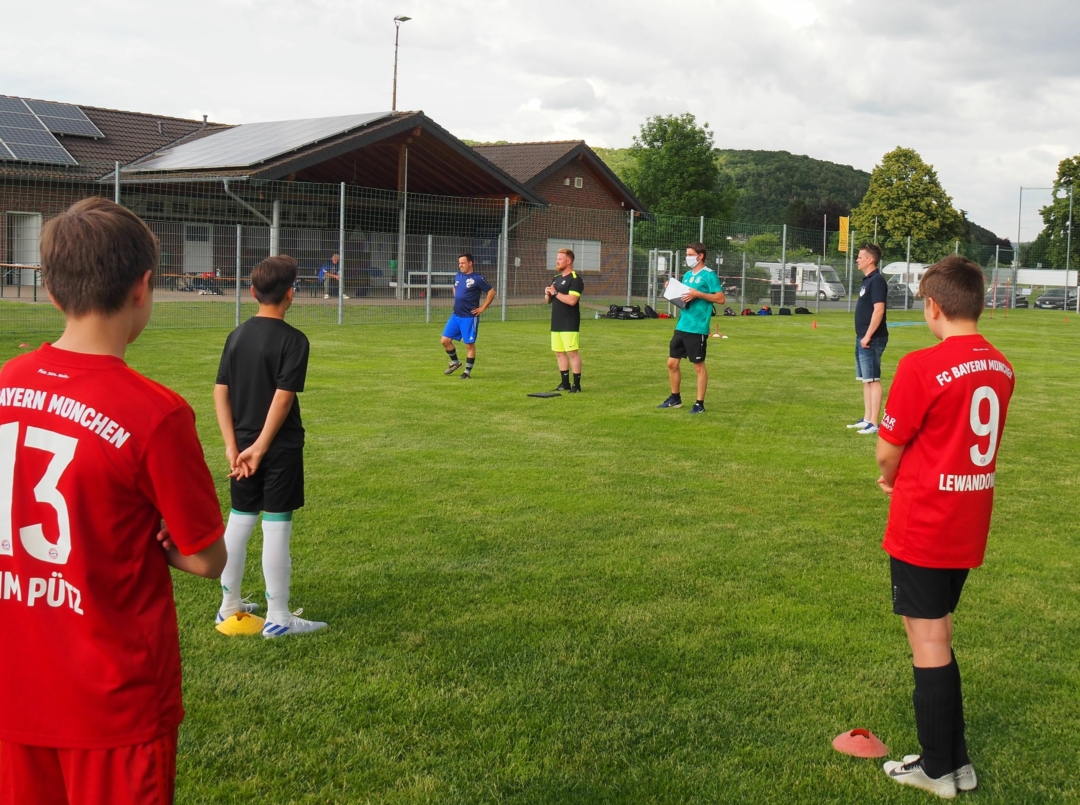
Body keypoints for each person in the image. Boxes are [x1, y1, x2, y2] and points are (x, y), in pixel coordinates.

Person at [0, 197, 227, 804]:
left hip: (14, 687)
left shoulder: (4, 384)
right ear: (144, 287)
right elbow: (208, 558)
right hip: (113, 702)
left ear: (51, 291)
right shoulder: (155, 412)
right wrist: (169, 546)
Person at [875, 256, 1014, 798]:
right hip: (968, 518)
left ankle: (937, 768)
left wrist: (889, 478)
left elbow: (889, 449)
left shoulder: (920, 365)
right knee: (941, 632)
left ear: (932, 306)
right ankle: (955, 762)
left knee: (927, 639)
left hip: (924, 519)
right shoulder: (1001, 366)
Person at [214, 254, 327, 638]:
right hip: (275, 449)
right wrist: (261, 448)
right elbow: (283, 398)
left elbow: (220, 392)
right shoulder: (294, 340)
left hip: (242, 447)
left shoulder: (236, 335)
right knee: (277, 525)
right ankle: (279, 616)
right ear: (291, 294)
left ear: (252, 292)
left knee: (240, 520)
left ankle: (228, 606)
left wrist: (234, 447)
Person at [657, 242, 726, 414]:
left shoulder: (709, 275)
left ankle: (699, 404)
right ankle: (675, 398)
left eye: (689, 254)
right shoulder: (687, 275)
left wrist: (699, 294)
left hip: (698, 327)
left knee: (698, 366)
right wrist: (670, 289)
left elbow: (720, 298)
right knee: (672, 363)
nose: (687, 258)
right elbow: (683, 296)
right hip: (682, 324)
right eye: (687, 255)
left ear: (700, 256)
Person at [849, 243, 888, 434]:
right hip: (862, 337)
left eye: (860, 256)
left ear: (870, 259)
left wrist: (868, 336)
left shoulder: (877, 281)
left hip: (871, 338)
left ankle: (874, 422)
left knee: (873, 379)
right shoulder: (867, 280)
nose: (857, 259)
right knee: (866, 379)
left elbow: (879, 310)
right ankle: (867, 418)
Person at [440, 253, 495, 379]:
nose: (460, 265)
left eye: (463, 263)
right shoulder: (458, 275)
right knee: (445, 341)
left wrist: (482, 308)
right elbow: (455, 287)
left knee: (469, 345)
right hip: (456, 316)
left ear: (471, 263)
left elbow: (491, 292)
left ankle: (467, 372)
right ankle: (455, 362)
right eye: (459, 263)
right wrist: (458, 297)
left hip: (469, 317)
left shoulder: (478, 278)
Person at [545, 248, 584, 392]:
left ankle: (577, 385)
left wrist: (555, 292)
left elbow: (572, 300)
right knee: (559, 353)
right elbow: (549, 300)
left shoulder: (575, 279)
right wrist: (548, 294)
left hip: (569, 323)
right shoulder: (556, 279)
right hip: (556, 322)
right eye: (557, 259)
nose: (557, 261)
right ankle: (564, 383)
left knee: (572, 353)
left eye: (560, 259)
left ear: (569, 261)